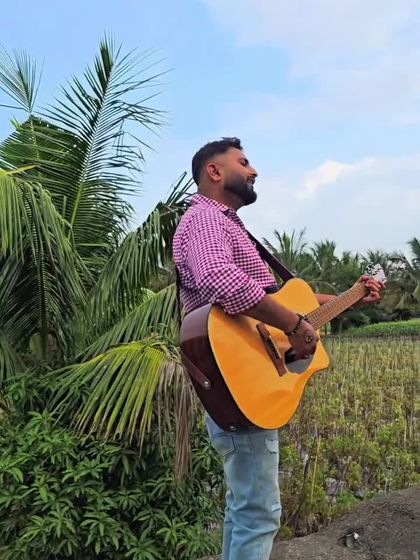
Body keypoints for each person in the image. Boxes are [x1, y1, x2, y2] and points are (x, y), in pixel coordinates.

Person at [172, 137, 383, 560]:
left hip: (241, 384)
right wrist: (294, 324)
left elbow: (281, 300)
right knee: (259, 514)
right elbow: (218, 278)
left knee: (243, 509)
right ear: (215, 171)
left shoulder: (227, 225)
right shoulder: (206, 219)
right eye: (244, 162)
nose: (254, 171)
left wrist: (351, 297)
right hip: (239, 382)